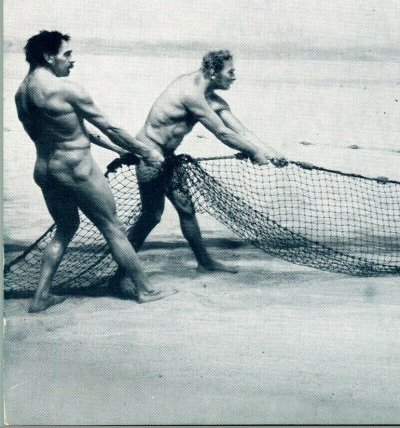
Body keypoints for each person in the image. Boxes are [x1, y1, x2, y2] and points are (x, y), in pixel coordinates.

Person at [15, 30, 175, 312]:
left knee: (66, 228)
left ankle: (41, 296)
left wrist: (115, 151)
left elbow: (70, 129)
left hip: (45, 170)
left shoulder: (22, 94)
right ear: (48, 57)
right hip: (77, 169)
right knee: (113, 227)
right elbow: (109, 128)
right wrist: (147, 152)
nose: (72, 61)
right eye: (67, 54)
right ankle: (145, 290)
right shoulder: (67, 89)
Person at [111, 50, 286, 297]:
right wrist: (254, 152)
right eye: (230, 72)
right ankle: (119, 276)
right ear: (214, 73)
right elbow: (222, 133)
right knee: (151, 216)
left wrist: (270, 152)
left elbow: (239, 129)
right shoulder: (190, 93)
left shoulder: (211, 98)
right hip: (149, 155)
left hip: (168, 158)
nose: (234, 77)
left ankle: (204, 262)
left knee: (186, 209)